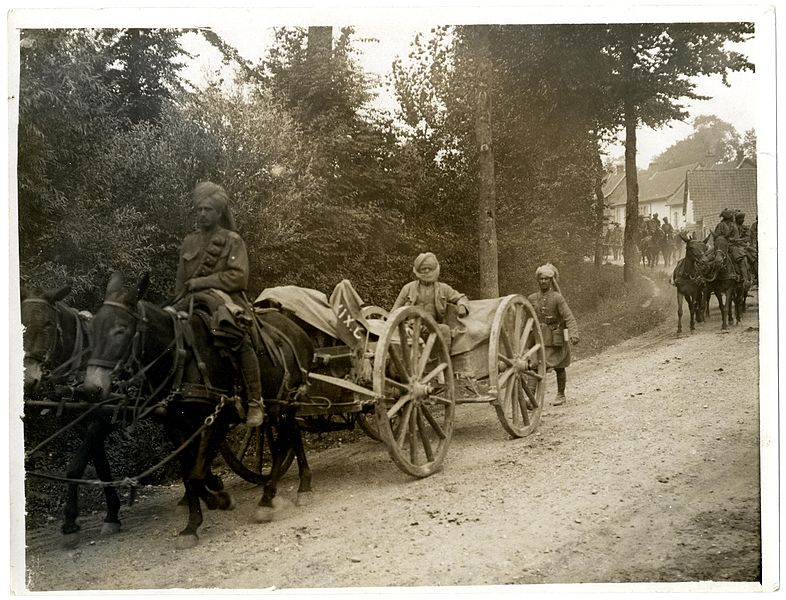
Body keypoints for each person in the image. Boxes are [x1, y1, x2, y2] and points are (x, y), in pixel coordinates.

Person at [174, 181, 264, 427]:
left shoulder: (232, 240)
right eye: (199, 209)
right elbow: (181, 282)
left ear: (219, 212)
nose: (203, 214)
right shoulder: (188, 242)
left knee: (238, 336)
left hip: (227, 301)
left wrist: (202, 281)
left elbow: (238, 278)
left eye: (208, 210)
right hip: (191, 302)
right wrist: (176, 304)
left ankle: (255, 400)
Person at [391, 252, 469, 349]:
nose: (427, 271)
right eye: (424, 269)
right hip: (412, 327)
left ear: (434, 270)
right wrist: (399, 326)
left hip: (434, 326)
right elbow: (395, 310)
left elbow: (461, 297)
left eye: (429, 268)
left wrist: (462, 306)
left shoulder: (443, 288)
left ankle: (444, 361)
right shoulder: (408, 288)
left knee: (444, 329)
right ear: (418, 271)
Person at [527, 264, 579, 406]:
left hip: (556, 337)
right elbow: (527, 320)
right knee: (534, 365)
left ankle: (561, 394)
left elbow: (568, 317)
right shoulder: (531, 298)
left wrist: (574, 334)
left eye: (547, 279)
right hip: (538, 338)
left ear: (551, 281)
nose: (543, 281)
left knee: (559, 366)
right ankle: (531, 398)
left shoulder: (557, 298)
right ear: (538, 281)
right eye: (541, 279)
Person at [713, 208, 749, 285]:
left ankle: (745, 279)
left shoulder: (733, 225)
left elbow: (736, 237)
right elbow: (716, 237)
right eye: (732, 216)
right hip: (721, 246)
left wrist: (733, 240)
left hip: (732, 246)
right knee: (709, 257)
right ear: (729, 217)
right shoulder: (720, 225)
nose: (733, 217)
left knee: (741, 258)